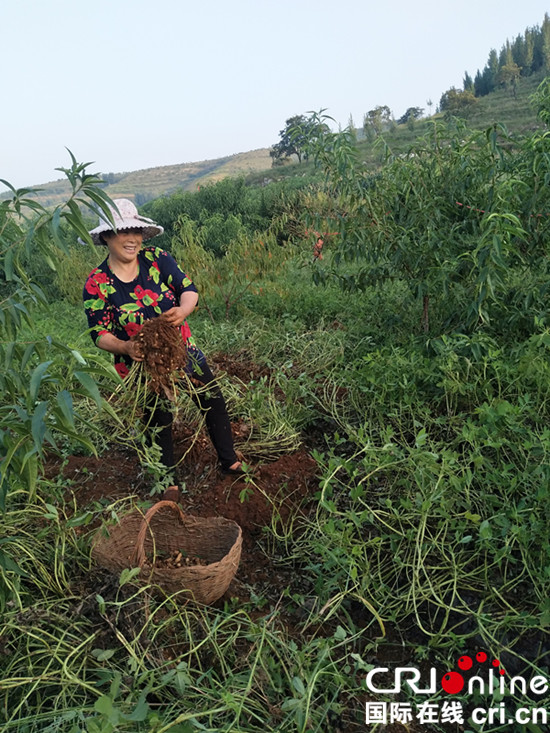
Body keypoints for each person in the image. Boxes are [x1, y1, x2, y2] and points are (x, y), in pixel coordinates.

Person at [82, 198, 244, 477]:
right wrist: (125, 346)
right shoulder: (97, 283)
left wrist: (183, 310)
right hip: (141, 363)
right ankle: (167, 480)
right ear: (107, 236)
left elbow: (188, 289)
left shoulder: (157, 259)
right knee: (158, 417)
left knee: (211, 399)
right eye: (123, 232)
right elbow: (99, 334)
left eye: (136, 232)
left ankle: (230, 462)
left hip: (181, 348)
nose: (132, 239)